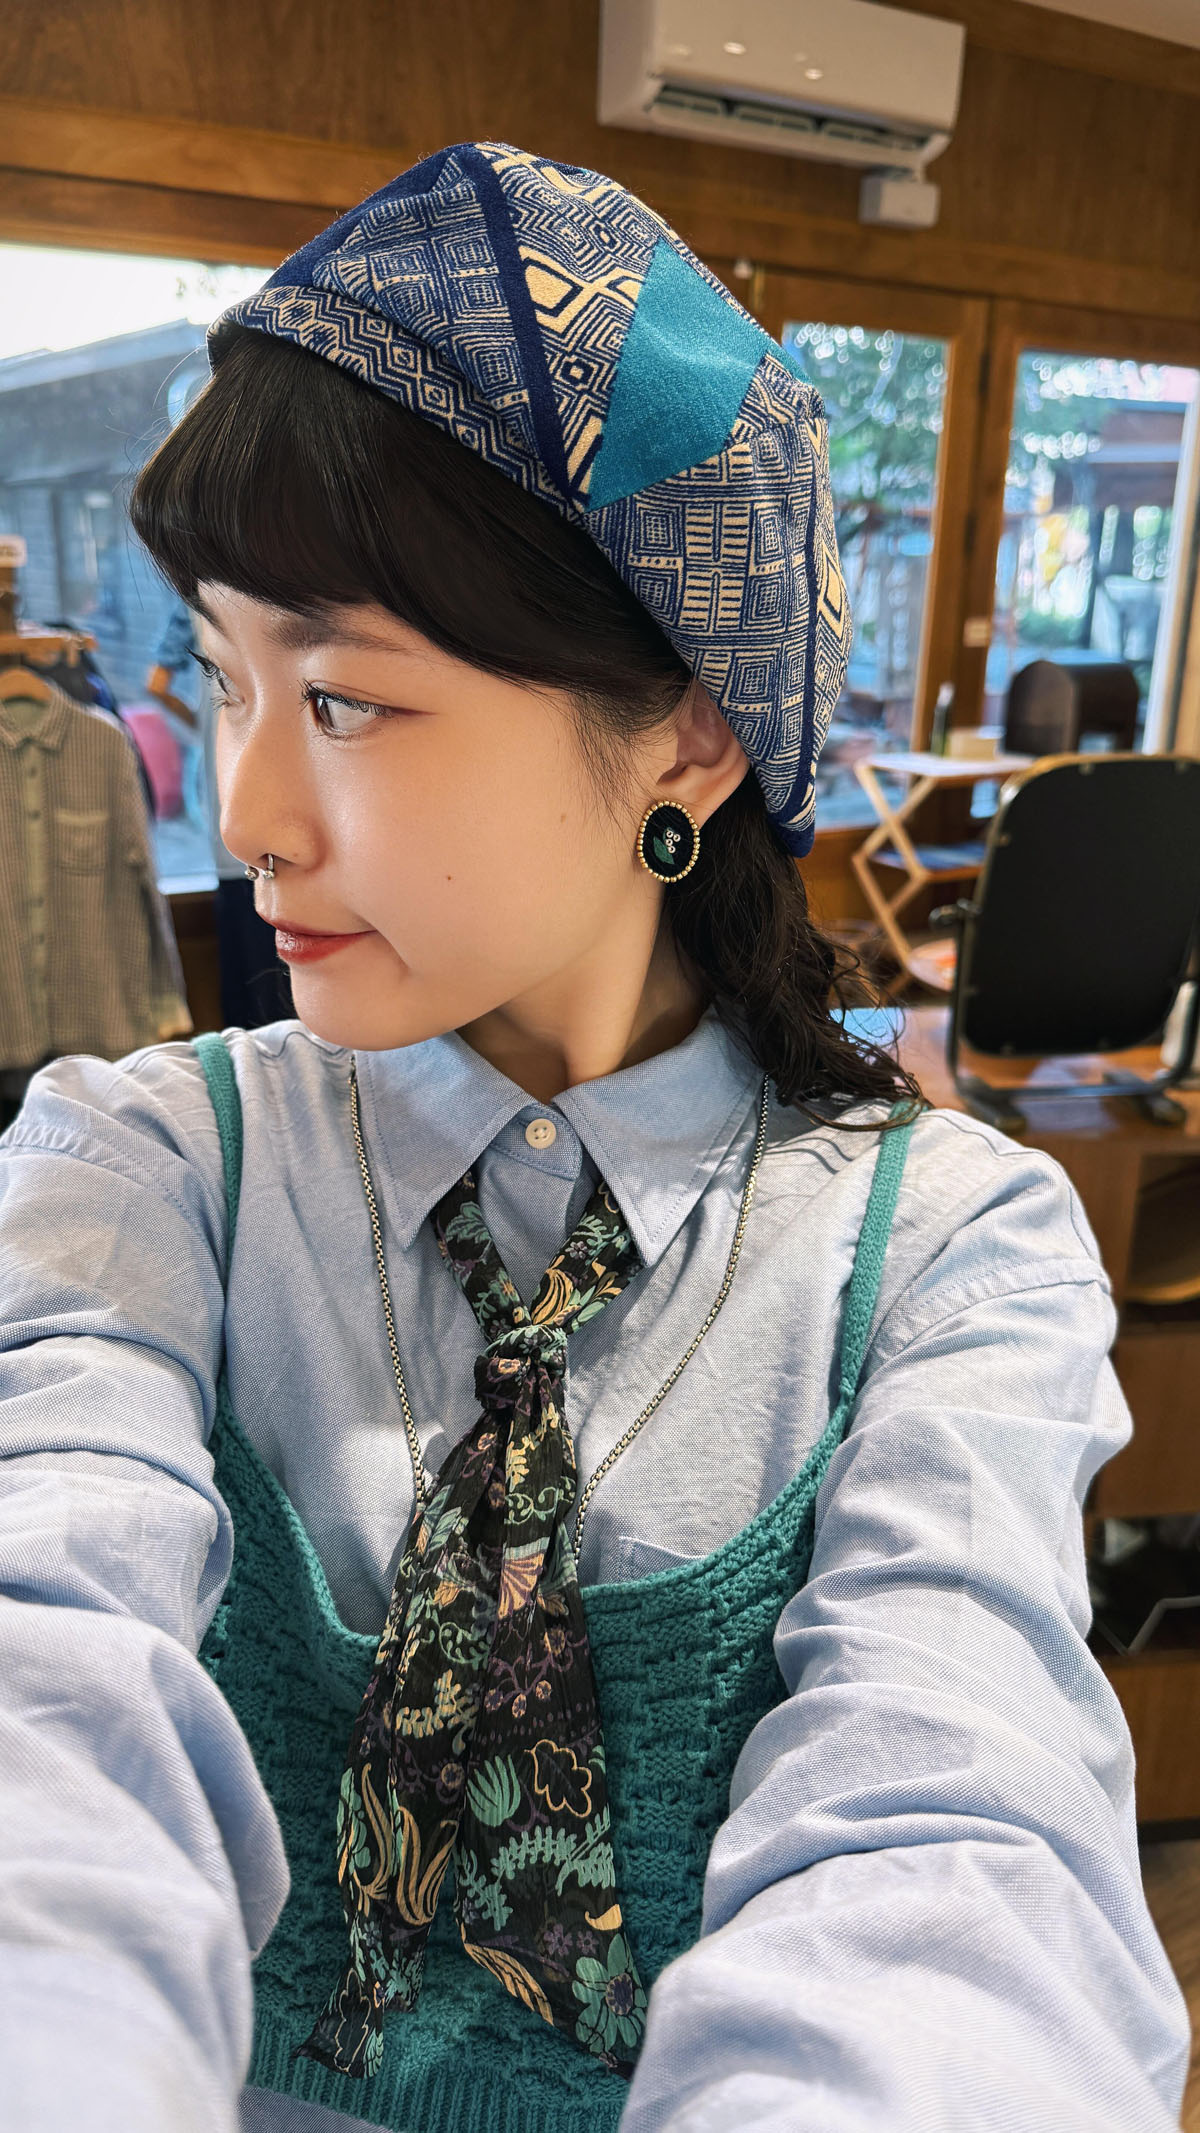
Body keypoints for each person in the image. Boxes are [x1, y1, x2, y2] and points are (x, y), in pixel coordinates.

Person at [0, 142, 1189, 2133]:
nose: (253, 815)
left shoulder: (943, 1250)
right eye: (220, 678)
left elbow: (955, 1839)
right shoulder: (143, 1173)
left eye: (348, 700)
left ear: (690, 733)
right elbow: (47, 1685)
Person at [146, 595, 293, 1028]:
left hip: (226, 807)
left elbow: (156, 683)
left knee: (249, 997)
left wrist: (210, 726)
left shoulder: (193, 599)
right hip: (272, 810)